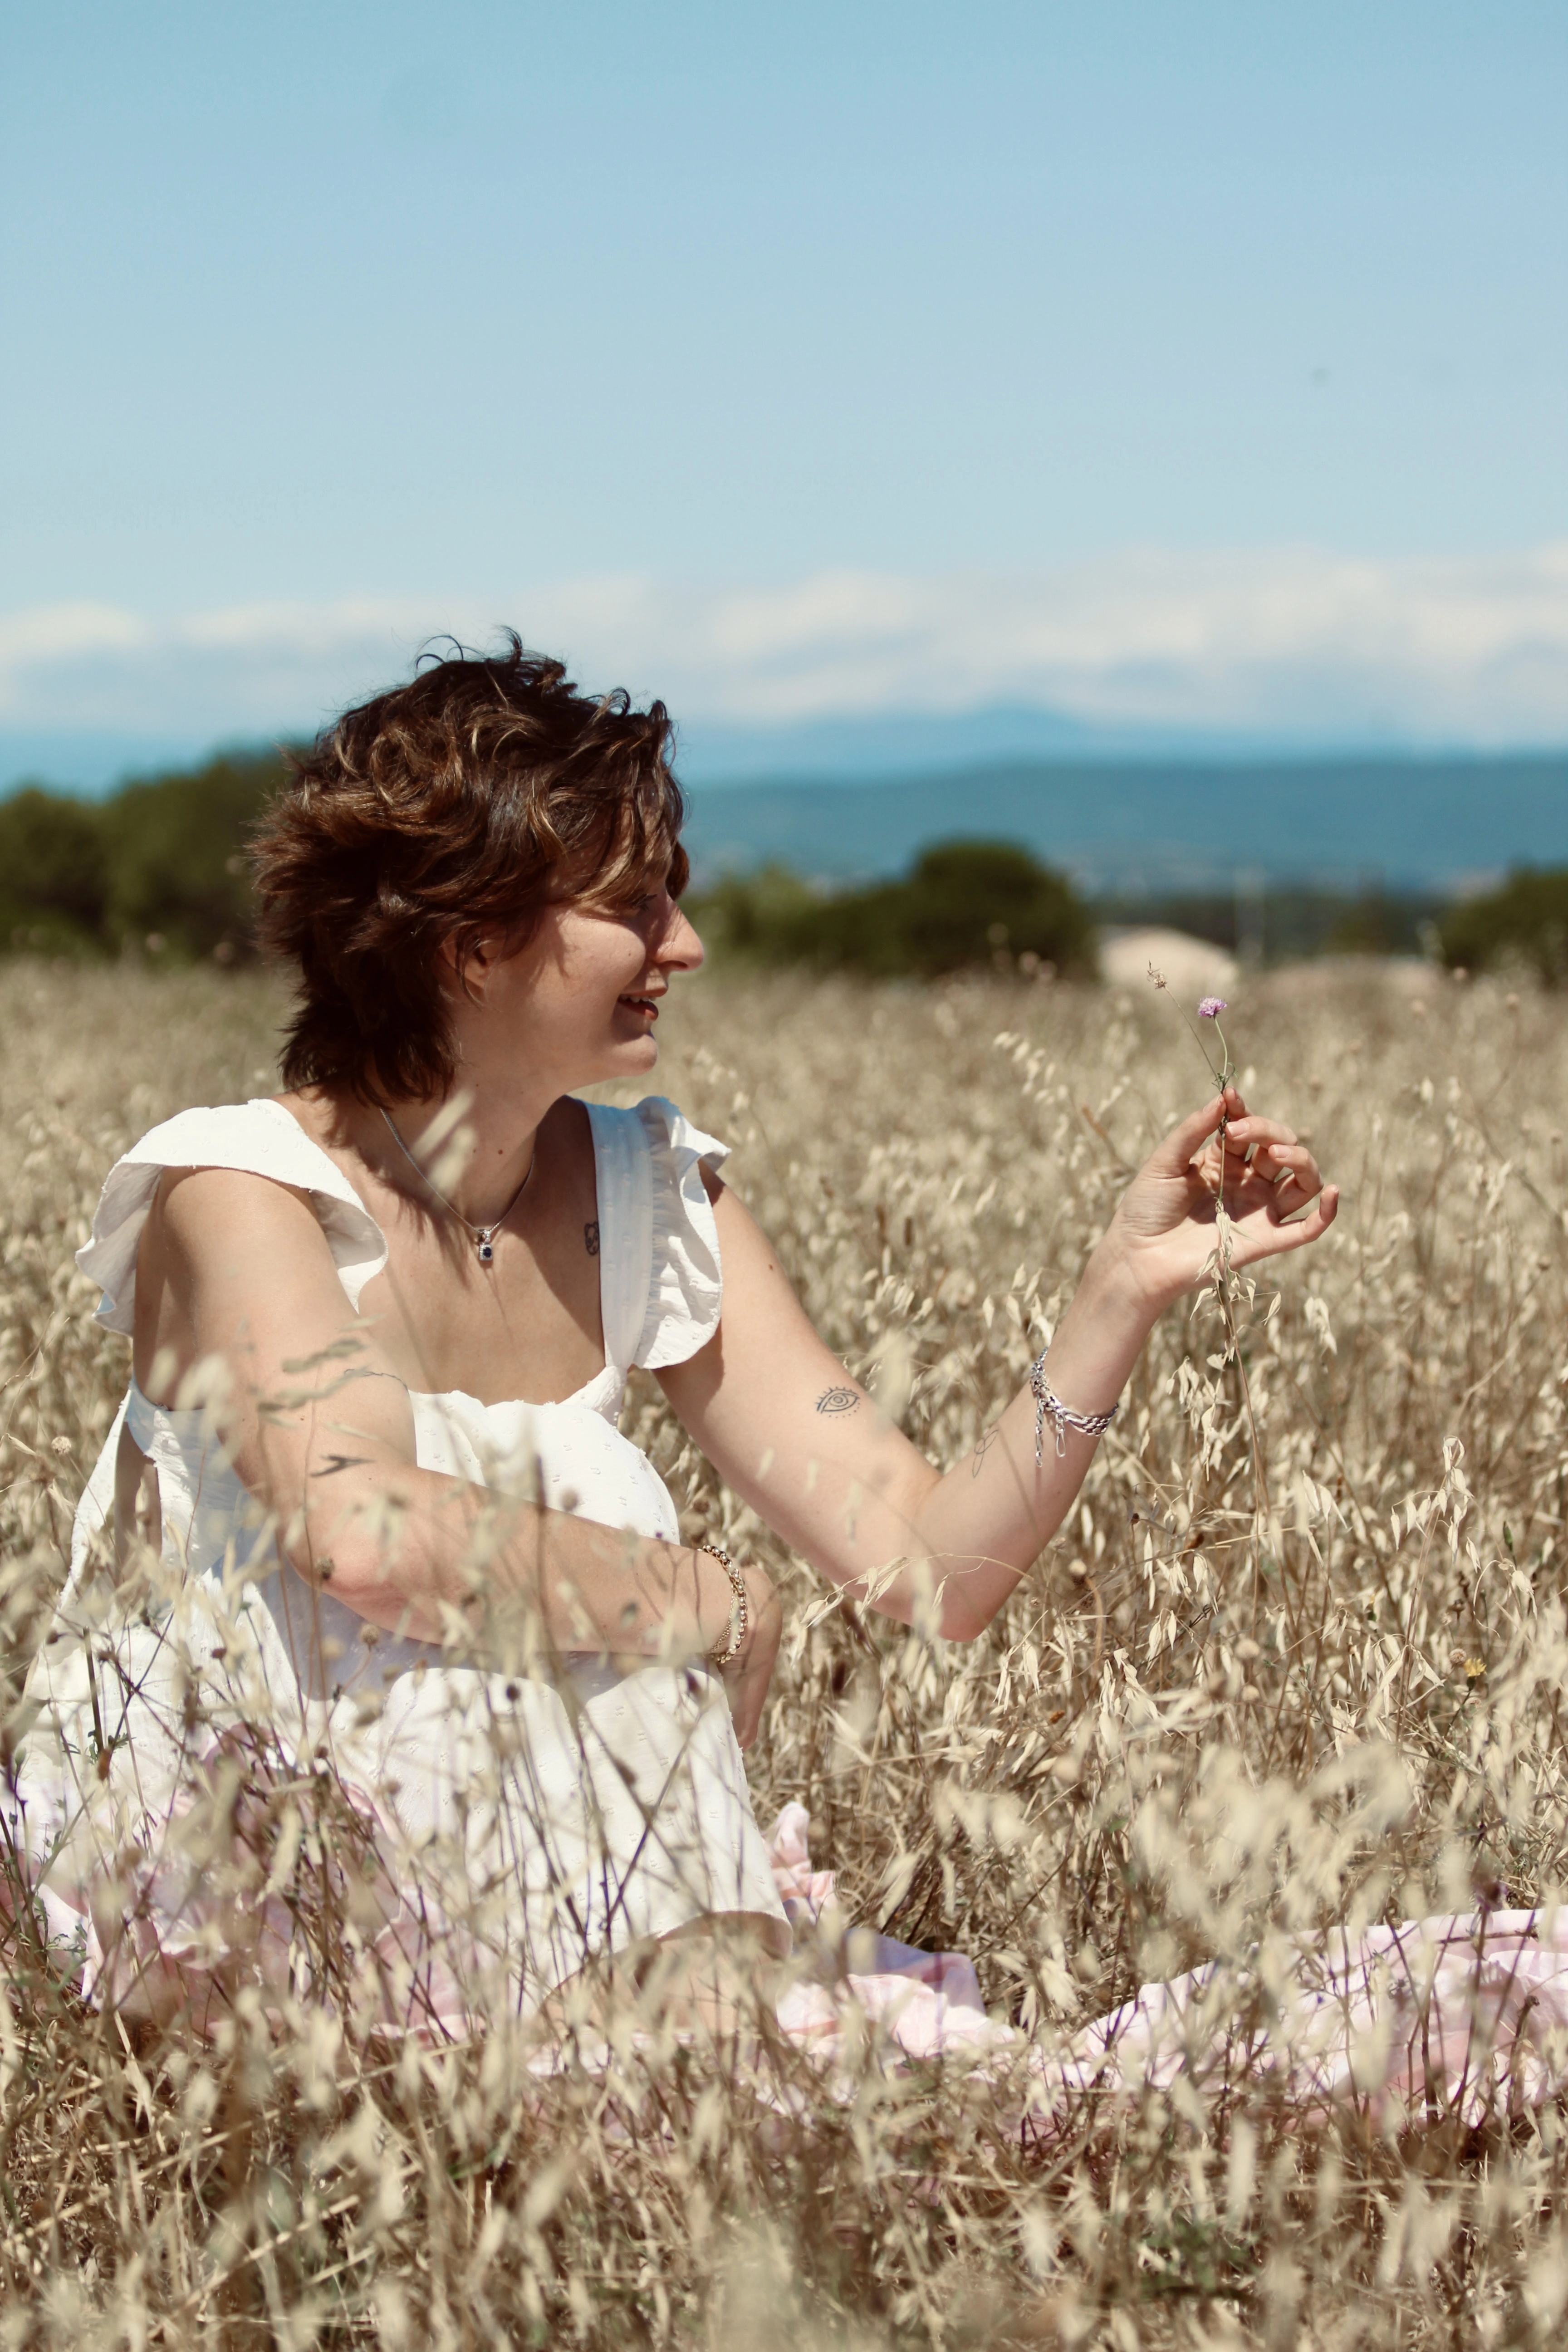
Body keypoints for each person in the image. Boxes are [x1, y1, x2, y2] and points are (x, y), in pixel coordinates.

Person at [8, 640, 1337, 2040]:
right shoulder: (240, 1194)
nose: (683, 947)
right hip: (277, 1904)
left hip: (567, 1880)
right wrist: (713, 1600)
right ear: (470, 937)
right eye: (634, 906)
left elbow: (932, 1567)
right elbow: (364, 1537)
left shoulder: (650, 1188)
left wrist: (1118, 1293)